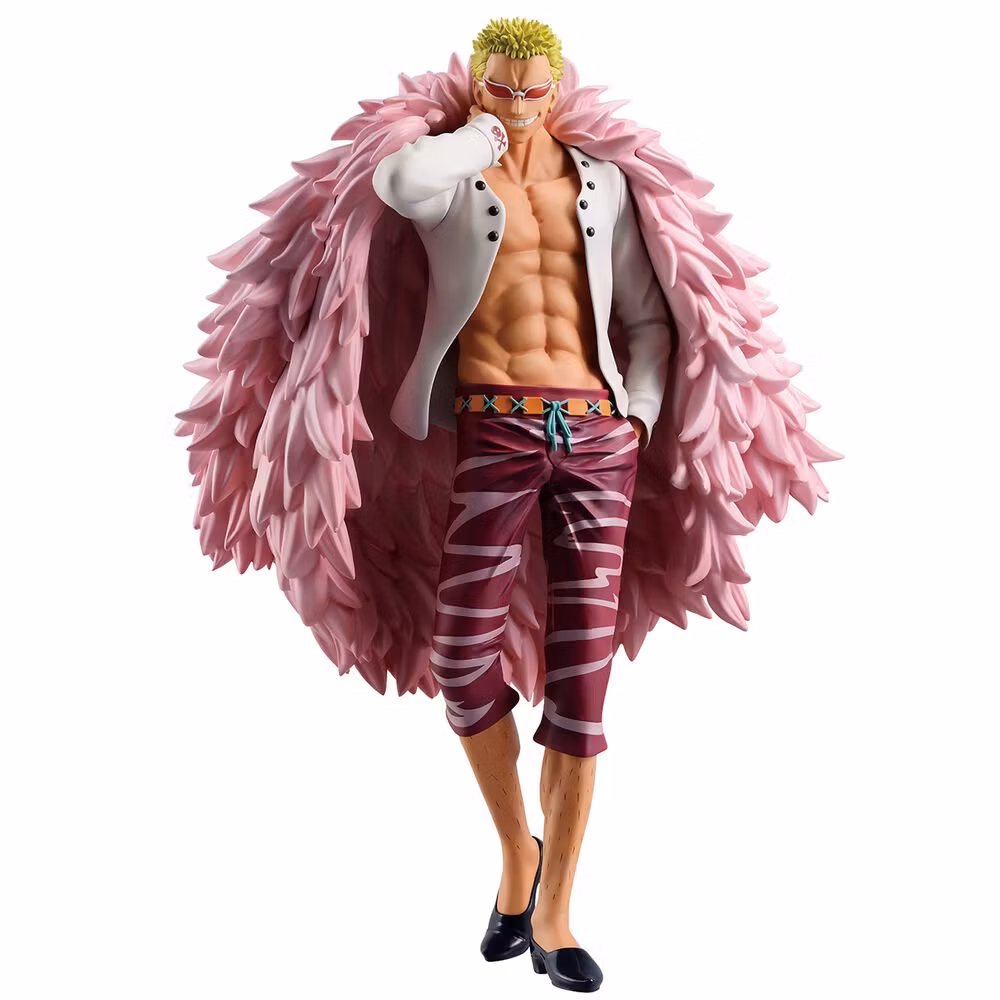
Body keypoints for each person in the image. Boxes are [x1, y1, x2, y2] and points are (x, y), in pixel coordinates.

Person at [178, 15, 839, 995]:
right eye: (502, 86)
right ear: (477, 85)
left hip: (597, 437)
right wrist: (477, 132)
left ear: (560, 86)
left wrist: (639, 417)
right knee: (459, 657)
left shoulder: (603, 183)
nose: (521, 103)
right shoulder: (452, 176)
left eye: (535, 88)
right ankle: (516, 855)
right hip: (495, 429)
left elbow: (646, 317)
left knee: (583, 683)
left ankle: (557, 912)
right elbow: (396, 184)